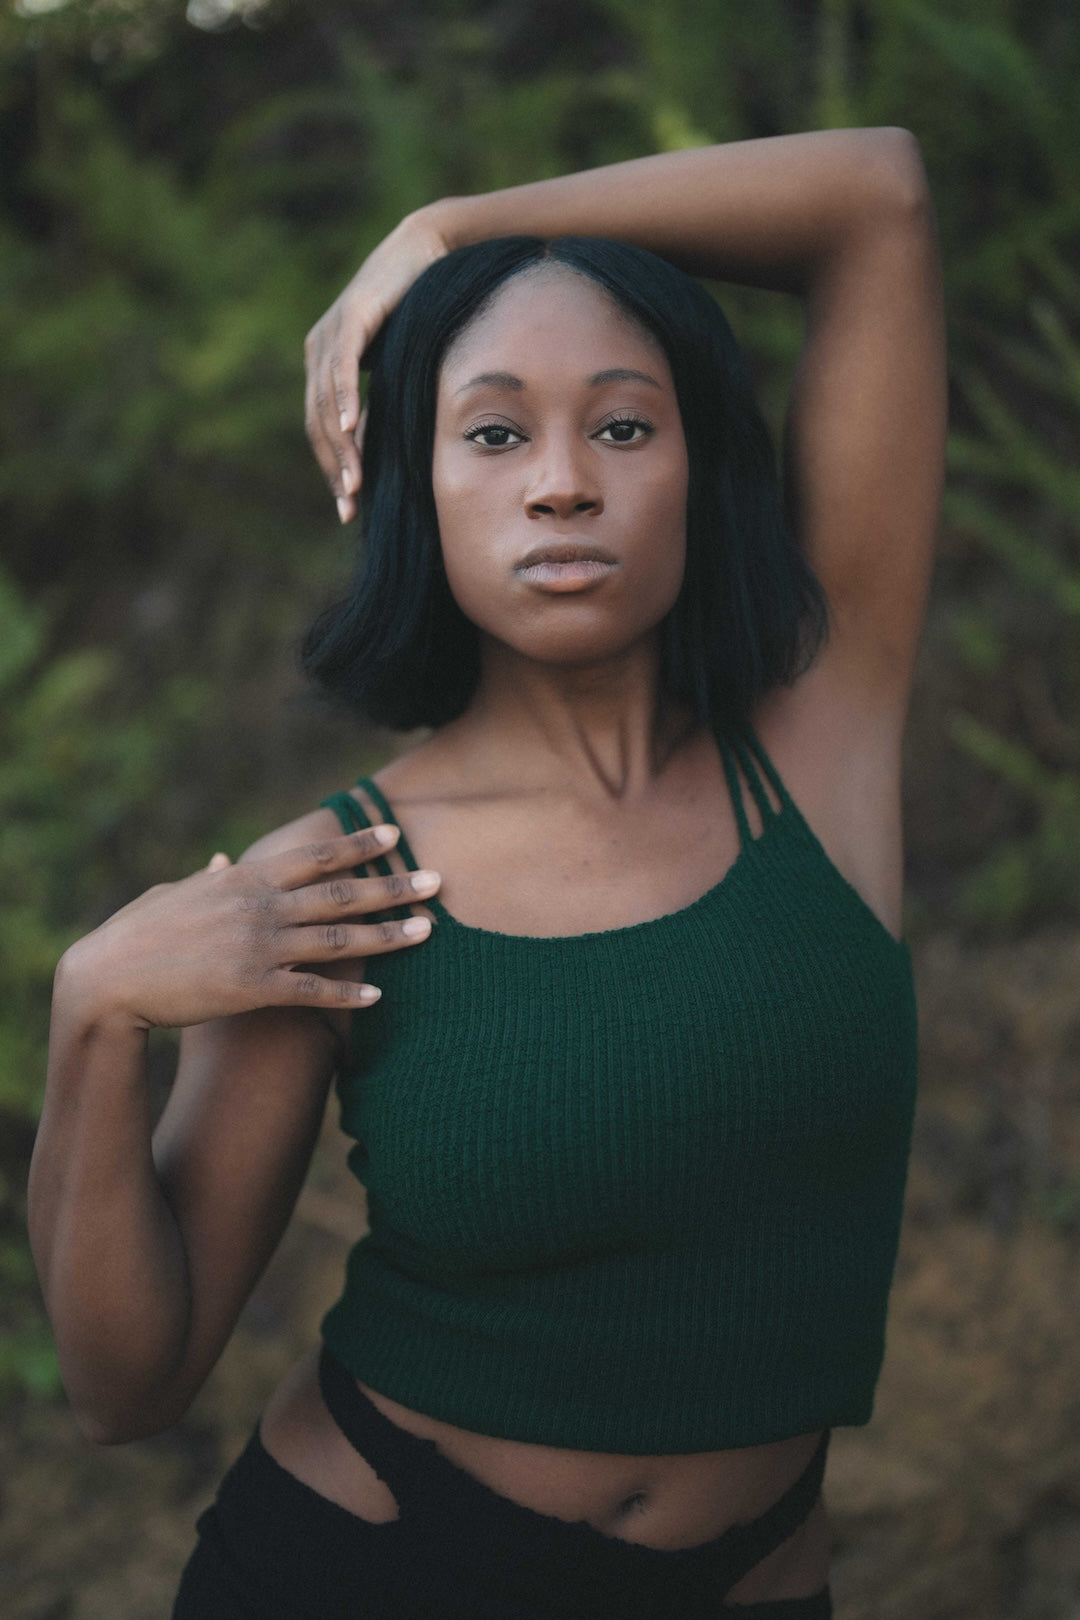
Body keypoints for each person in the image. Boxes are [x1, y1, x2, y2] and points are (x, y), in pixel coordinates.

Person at [29, 128, 946, 1619]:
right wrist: (94, 1017)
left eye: (625, 428)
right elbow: (126, 1383)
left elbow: (877, 198)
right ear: (415, 484)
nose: (563, 486)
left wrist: (454, 229)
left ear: (702, 469)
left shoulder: (823, 744)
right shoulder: (338, 875)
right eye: (496, 432)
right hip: (377, 1573)